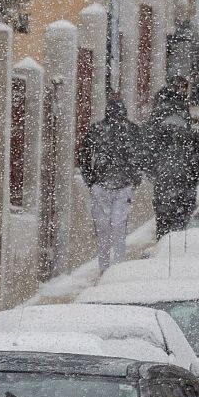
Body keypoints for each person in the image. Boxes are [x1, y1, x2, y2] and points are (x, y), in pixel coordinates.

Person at [78, 96, 141, 270]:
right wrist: (135, 176)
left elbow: (84, 156)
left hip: (106, 185)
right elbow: (141, 156)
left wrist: (90, 179)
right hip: (115, 186)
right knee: (117, 230)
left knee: (105, 232)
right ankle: (114, 269)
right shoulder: (131, 130)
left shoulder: (98, 129)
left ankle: (106, 269)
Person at [144, 82, 199, 237]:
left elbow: (147, 160)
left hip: (164, 187)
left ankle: (165, 248)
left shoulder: (156, 135)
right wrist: (192, 177)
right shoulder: (193, 137)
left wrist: (157, 175)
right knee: (182, 229)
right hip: (185, 188)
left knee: (163, 227)